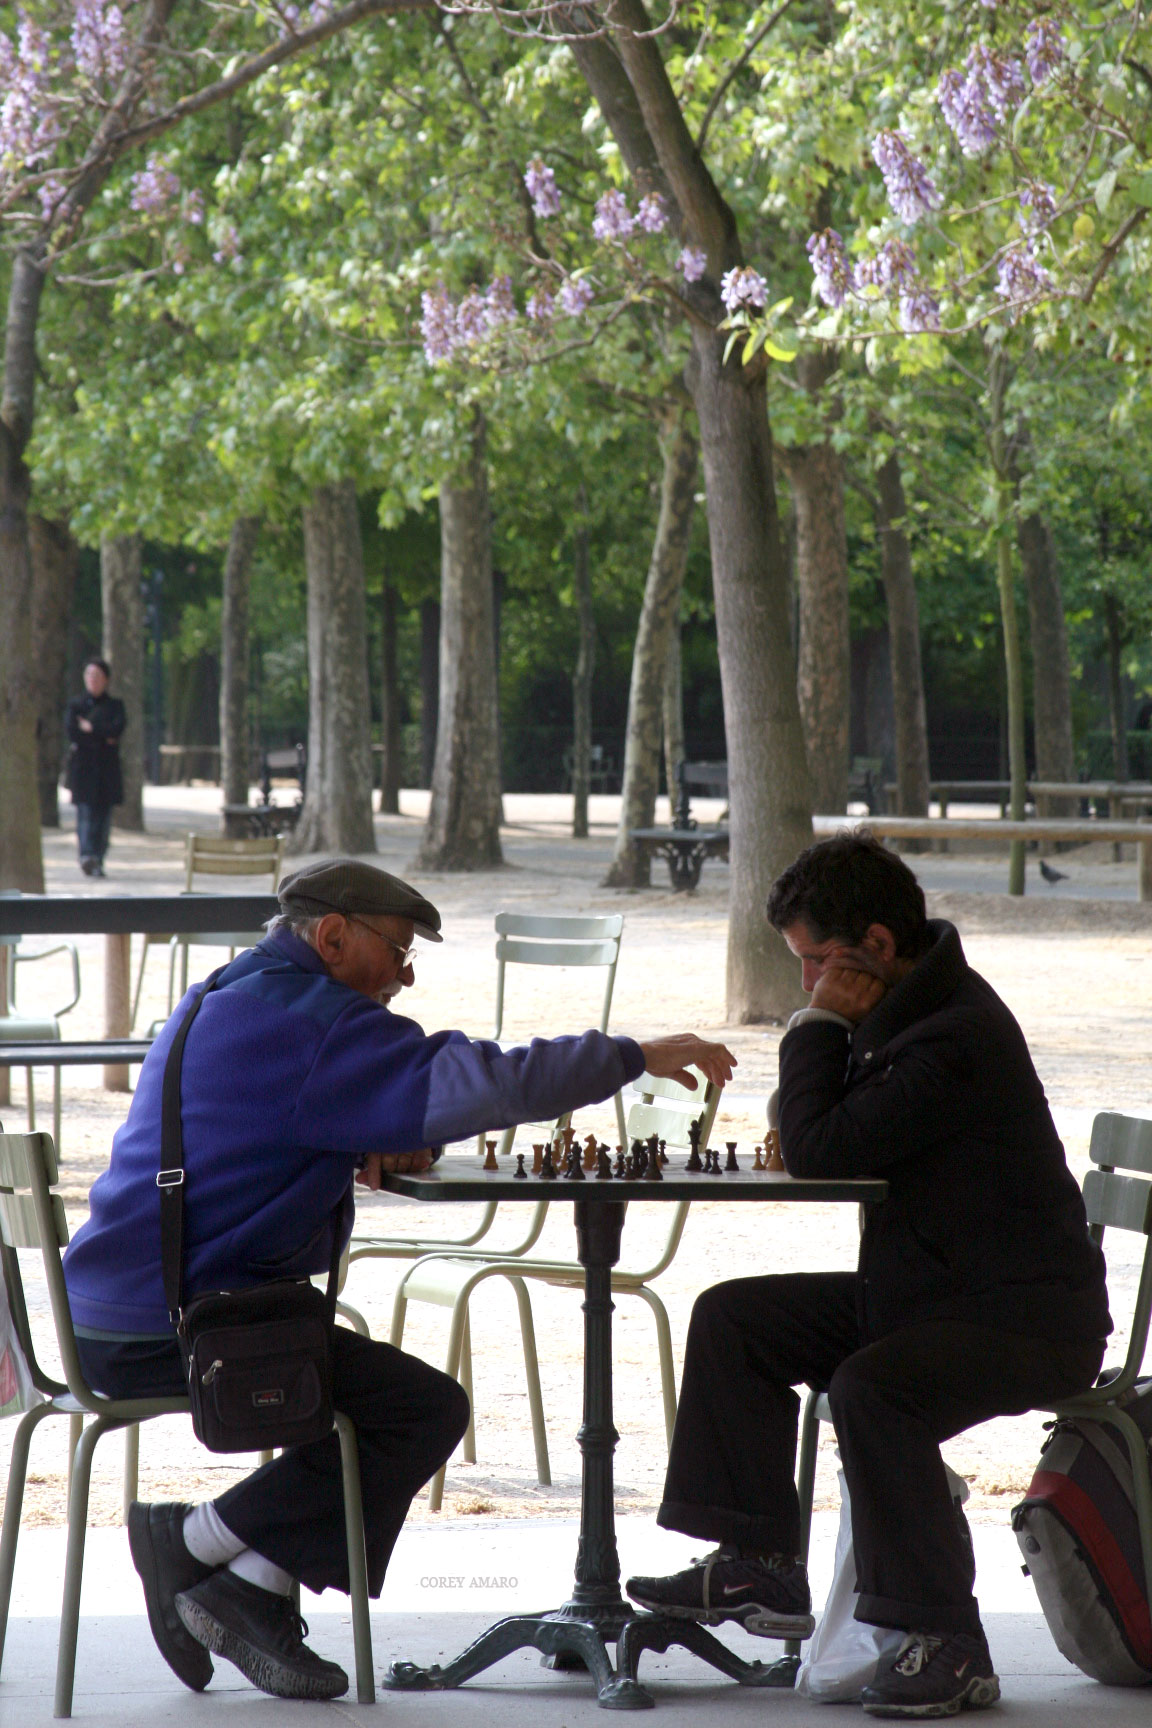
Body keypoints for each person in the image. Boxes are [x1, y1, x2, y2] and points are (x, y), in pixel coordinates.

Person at [62, 857, 735, 1703]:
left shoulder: (224, 994)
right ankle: (198, 1548)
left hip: (110, 1312)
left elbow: (252, 1128)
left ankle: (250, 1585)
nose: (406, 976)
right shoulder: (319, 1025)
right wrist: (631, 1054)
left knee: (363, 1387)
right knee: (419, 1408)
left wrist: (351, 1140)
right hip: (180, 1326)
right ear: (334, 937)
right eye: (398, 950)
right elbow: (485, 1080)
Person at [626, 831, 1110, 1718]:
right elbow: (812, 1120)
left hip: (1023, 1318)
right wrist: (827, 1032)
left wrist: (816, 1028)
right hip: (931, 1290)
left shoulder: (953, 1035)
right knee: (737, 1319)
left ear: (878, 946)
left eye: (816, 964)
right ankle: (762, 1565)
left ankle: (949, 1641)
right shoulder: (907, 1010)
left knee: (872, 1391)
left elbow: (817, 1148)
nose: (809, 985)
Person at [64, 656, 125, 878]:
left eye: (97, 676)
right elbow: (73, 733)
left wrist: (92, 728)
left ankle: (98, 858)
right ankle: (87, 856)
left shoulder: (115, 706)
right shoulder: (76, 705)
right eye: (89, 675)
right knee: (86, 816)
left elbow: (117, 730)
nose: (93, 680)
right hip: (83, 771)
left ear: (106, 679)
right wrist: (101, 736)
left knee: (103, 819)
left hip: (107, 772)